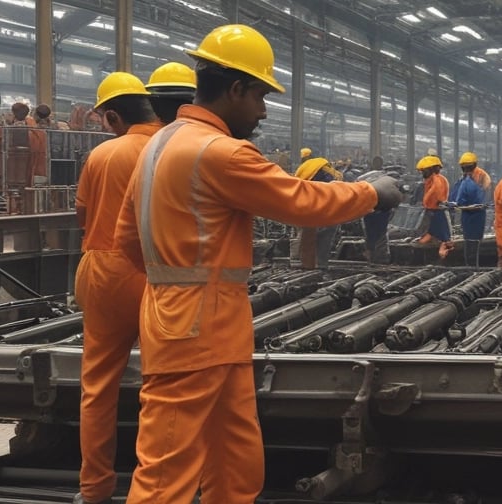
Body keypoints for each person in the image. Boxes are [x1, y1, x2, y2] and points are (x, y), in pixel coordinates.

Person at [113, 24, 402, 503]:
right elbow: (302, 200)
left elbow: (127, 240)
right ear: (236, 89)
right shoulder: (219, 152)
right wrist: (372, 193)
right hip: (196, 326)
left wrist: (178, 277)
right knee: (168, 469)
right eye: (261, 96)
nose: (264, 111)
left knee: (235, 454)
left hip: (201, 321)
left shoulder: (160, 145)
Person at [72, 72, 160, 504]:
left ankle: (95, 490)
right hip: (162, 275)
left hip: (105, 271)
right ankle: (158, 488)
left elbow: (83, 218)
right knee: (163, 387)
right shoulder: (173, 148)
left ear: (111, 116)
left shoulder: (103, 154)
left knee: (98, 389)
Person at [294, 148, 344, 269]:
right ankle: (321, 264)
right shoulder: (322, 163)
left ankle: (307, 265)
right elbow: (337, 179)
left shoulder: (301, 169)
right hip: (329, 205)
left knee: (307, 237)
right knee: (325, 237)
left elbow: (297, 188)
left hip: (310, 207)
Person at [415, 154, 454, 259]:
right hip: (432, 210)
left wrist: (428, 202)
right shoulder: (431, 180)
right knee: (432, 230)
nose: (422, 173)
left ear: (431, 169)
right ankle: (428, 238)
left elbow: (437, 194)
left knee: (445, 233)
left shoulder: (437, 180)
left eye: (424, 171)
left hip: (438, 210)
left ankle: (445, 248)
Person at [450, 159, 486, 266]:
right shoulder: (476, 182)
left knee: (470, 244)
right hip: (477, 218)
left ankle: (470, 267)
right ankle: (472, 267)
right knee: (474, 245)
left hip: (469, 218)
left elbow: (457, 201)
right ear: (475, 166)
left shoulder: (464, 182)